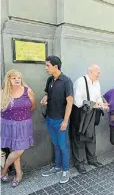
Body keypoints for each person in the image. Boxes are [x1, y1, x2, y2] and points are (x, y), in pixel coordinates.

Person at [40, 56, 73, 184]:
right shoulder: (50, 79)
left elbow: (70, 103)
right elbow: (48, 93)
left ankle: (66, 170)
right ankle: (57, 167)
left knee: (63, 146)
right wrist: (45, 98)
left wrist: (65, 121)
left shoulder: (66, 81)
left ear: (56, 66)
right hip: (49, 119)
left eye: (47, 65)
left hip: (60, 120)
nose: (46, 68)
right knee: (55, 144)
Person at [70, 64, 107, 174]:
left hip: (92, 113)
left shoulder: (97, 82)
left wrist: (101, 103)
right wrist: (94, 104)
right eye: (98, 72)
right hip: (81, 114)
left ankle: (92, 160)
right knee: (79, 139)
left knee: (91, 137)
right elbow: (76, 101)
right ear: (91, 72)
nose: (99, 75)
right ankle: (79, 163)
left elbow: (98, 96)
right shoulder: (80, 81)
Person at [1, 70, 36, 187]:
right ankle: (19, 174)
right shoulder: (3, 92)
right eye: (13, 78)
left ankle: (4, 170)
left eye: (18, 78)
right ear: (8, 80)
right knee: (14, 150)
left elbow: (33, 106)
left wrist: (21, 115)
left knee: (19, 150)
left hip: (24, 124)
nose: (17, 79)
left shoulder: (28, 90)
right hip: (8, 124)